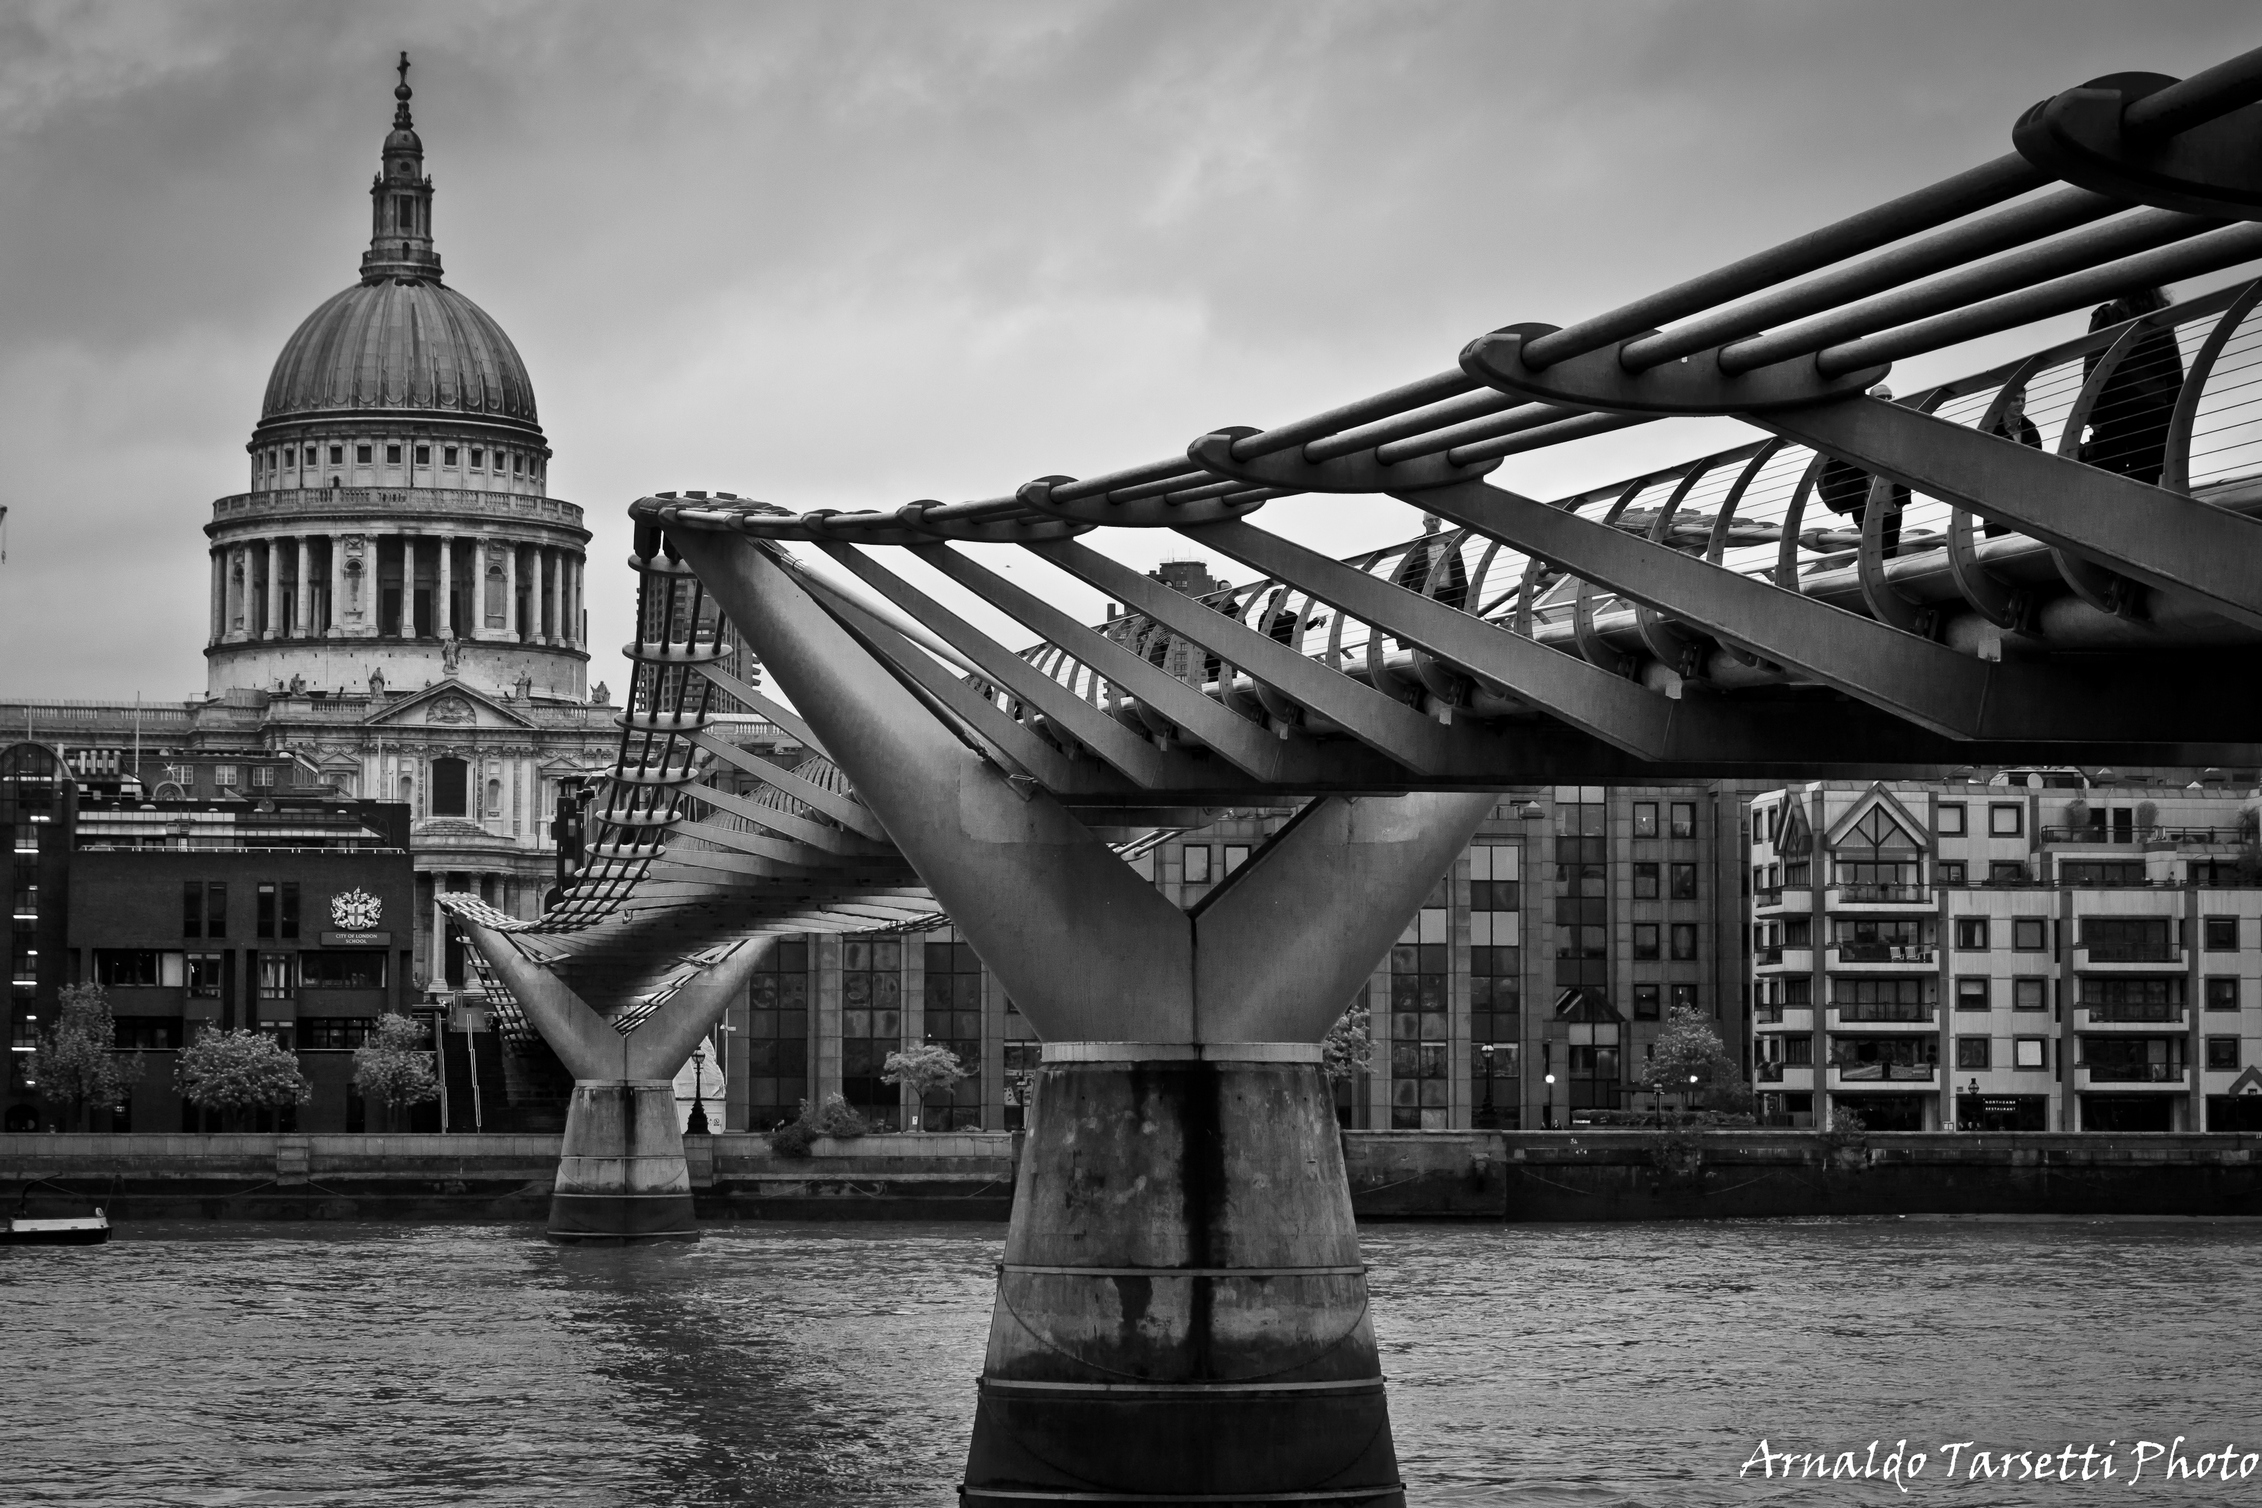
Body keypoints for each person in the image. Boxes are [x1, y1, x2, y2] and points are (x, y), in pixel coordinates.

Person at [2078, 287, 2183, 486]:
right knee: (2148, 483)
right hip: (2156, 413)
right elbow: (2174, 371)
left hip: (2116, 411)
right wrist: (2176, 415)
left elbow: (2093, 370)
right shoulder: (2160, 318)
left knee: (2108, 482)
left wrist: (2092, 415)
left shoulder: (2107, 315)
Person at [1813, 385, 1905, 554]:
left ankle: (1884, 579)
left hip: (1893, 505)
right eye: (1881, 398)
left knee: (1890, 551)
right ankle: (1877, 578)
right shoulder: (1858, 433)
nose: (1886, 401)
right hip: (1864, 504)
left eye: (1889, 397)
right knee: (1878, 552)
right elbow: (1833, 462)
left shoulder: (1896, 431)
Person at [1978, 386, 2043, 535]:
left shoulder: (2032, 433)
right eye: (2015, 400)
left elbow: (2039, 470)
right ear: (2004, 402)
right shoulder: (1989, 432)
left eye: (2023, 400)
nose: (2021, 403)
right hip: (1997, 506)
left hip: (2028, 504)